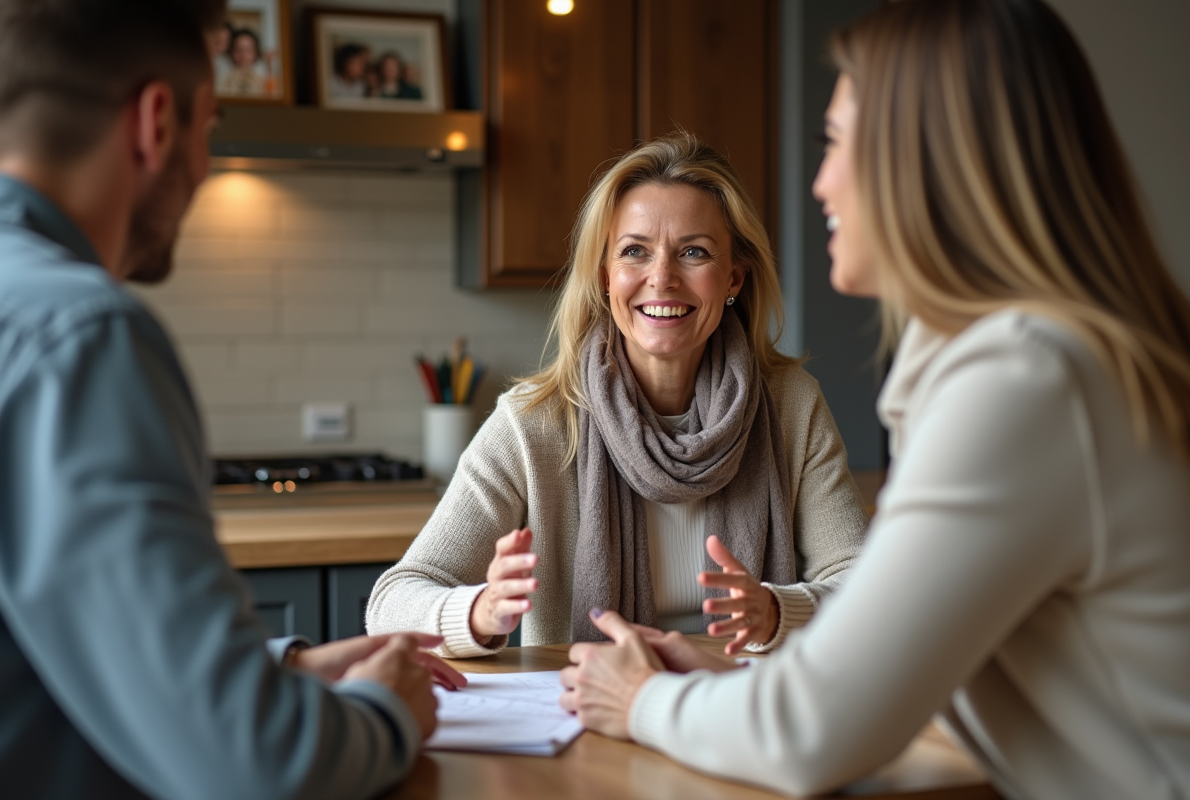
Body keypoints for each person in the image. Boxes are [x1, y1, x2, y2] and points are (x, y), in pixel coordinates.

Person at [558, 1, 1190, 798]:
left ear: (927, 160)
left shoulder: (1026, 383)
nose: (821, 181)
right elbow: (899, 672)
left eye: (836, 142)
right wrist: (728, 682)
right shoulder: (1049, 360)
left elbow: (811, 732)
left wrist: (644, 699)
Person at [0, 2, 465, 798]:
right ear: (155, 121)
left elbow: (41, 648)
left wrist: (275, 669)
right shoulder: (81, 334)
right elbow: (254, 765)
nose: (207, 166)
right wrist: (384, 711)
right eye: (209, 129)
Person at [367, 132, 868, 659]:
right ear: (606, 277)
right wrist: (480, 611)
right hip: (593, 707)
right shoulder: (536, 422)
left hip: (745, 710)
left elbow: (865, 588)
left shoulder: (791, 406)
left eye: (694, 252)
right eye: (635, 252)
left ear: (733, 279)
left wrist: (776, 611)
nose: (662, 278)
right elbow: (391, 604)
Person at [217, 28, 266, 96]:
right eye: (238, 49)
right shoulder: (222, 77)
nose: (243, 55)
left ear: (256, 52)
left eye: (248, 50)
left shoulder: (264, 78)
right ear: (231, 51)